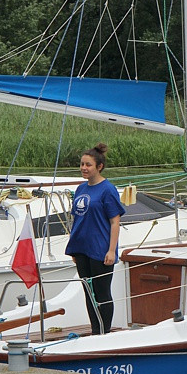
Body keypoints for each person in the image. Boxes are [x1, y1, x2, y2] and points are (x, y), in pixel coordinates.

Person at [65, 143, 125, 335]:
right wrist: (74, 248)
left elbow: (115, 222)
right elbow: (77, 218)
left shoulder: (108, 190)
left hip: (100, 249)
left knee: (102, 292)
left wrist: (111, 250)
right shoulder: (80, 188)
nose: (84, 168)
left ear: (99, 167)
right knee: (88, 292)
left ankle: (104, 331)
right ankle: (95, 330)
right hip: (81, 248)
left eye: (88, 165)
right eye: (82, 164)